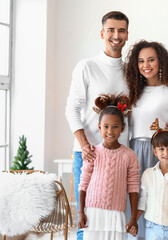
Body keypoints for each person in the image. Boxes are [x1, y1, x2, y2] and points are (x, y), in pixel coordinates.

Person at [65, 11, 129, 240]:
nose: (116, 35)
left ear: (127, 35)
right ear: (102, 33)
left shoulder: (131, 71)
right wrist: (84, 145)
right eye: (111, 30)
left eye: (121, 30)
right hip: (89, 155)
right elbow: (71, 109)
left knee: (114, 221)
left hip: (118, 156)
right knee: (86, 222)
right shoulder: (87, 66)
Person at [124, 40, 168, 239]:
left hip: (160, 153)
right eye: (141, 61)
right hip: (134, 151)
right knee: (135, 201)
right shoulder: (133, 92)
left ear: (160, 62)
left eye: (151, 60)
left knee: (158, 201)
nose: (146, 65)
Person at [78, 94, 139, 240]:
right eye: (106, 127)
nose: (110, 131)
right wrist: (81, 212)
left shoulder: (129, 155)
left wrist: (133, 218)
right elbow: (83, 183)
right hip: (93, 212)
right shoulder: (93, 153)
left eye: (115, 127)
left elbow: (133, 187)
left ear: (122, 128)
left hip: (116, 213)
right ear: (99, 127)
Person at [129, 116, 168, 240]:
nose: (166, 153)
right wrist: (134, 221)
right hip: (152, 228)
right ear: (155, 151)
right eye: (161, 149)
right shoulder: (148, 174)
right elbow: (142, 203)